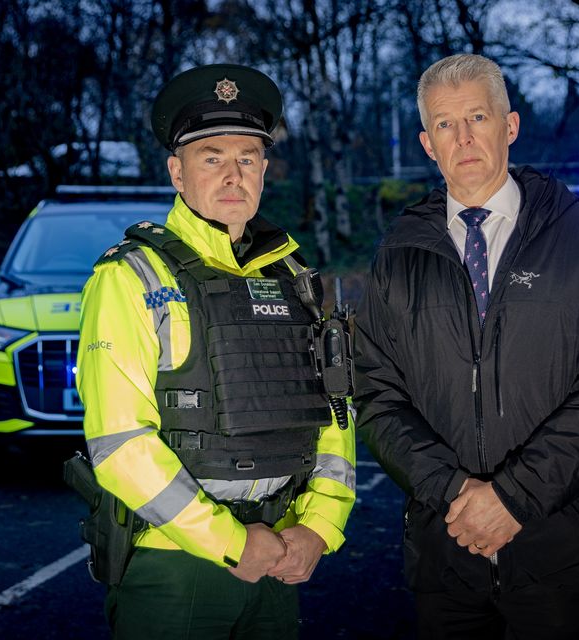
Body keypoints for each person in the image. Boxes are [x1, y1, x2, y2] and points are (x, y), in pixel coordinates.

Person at [353, 53, 579, 639]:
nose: (463, 137)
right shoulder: (399, 254)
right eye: (444, 124)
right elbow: (376, 395)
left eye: (477, 117)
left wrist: (513, 498)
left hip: (556, 550)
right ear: (427, 143)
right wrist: (457, 494)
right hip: (446, 552)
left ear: (509, 126)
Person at [76, 63, 356, 639]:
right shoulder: (130, 277)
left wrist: (321, 525)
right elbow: (118, 443)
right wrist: (228, 543)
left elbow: (336, 414)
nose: (234, 176)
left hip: (280, 554)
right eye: (212, 159)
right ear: (178, 173)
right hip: (176, 565)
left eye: (247, 159)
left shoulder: (297, 278)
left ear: (264, 169)